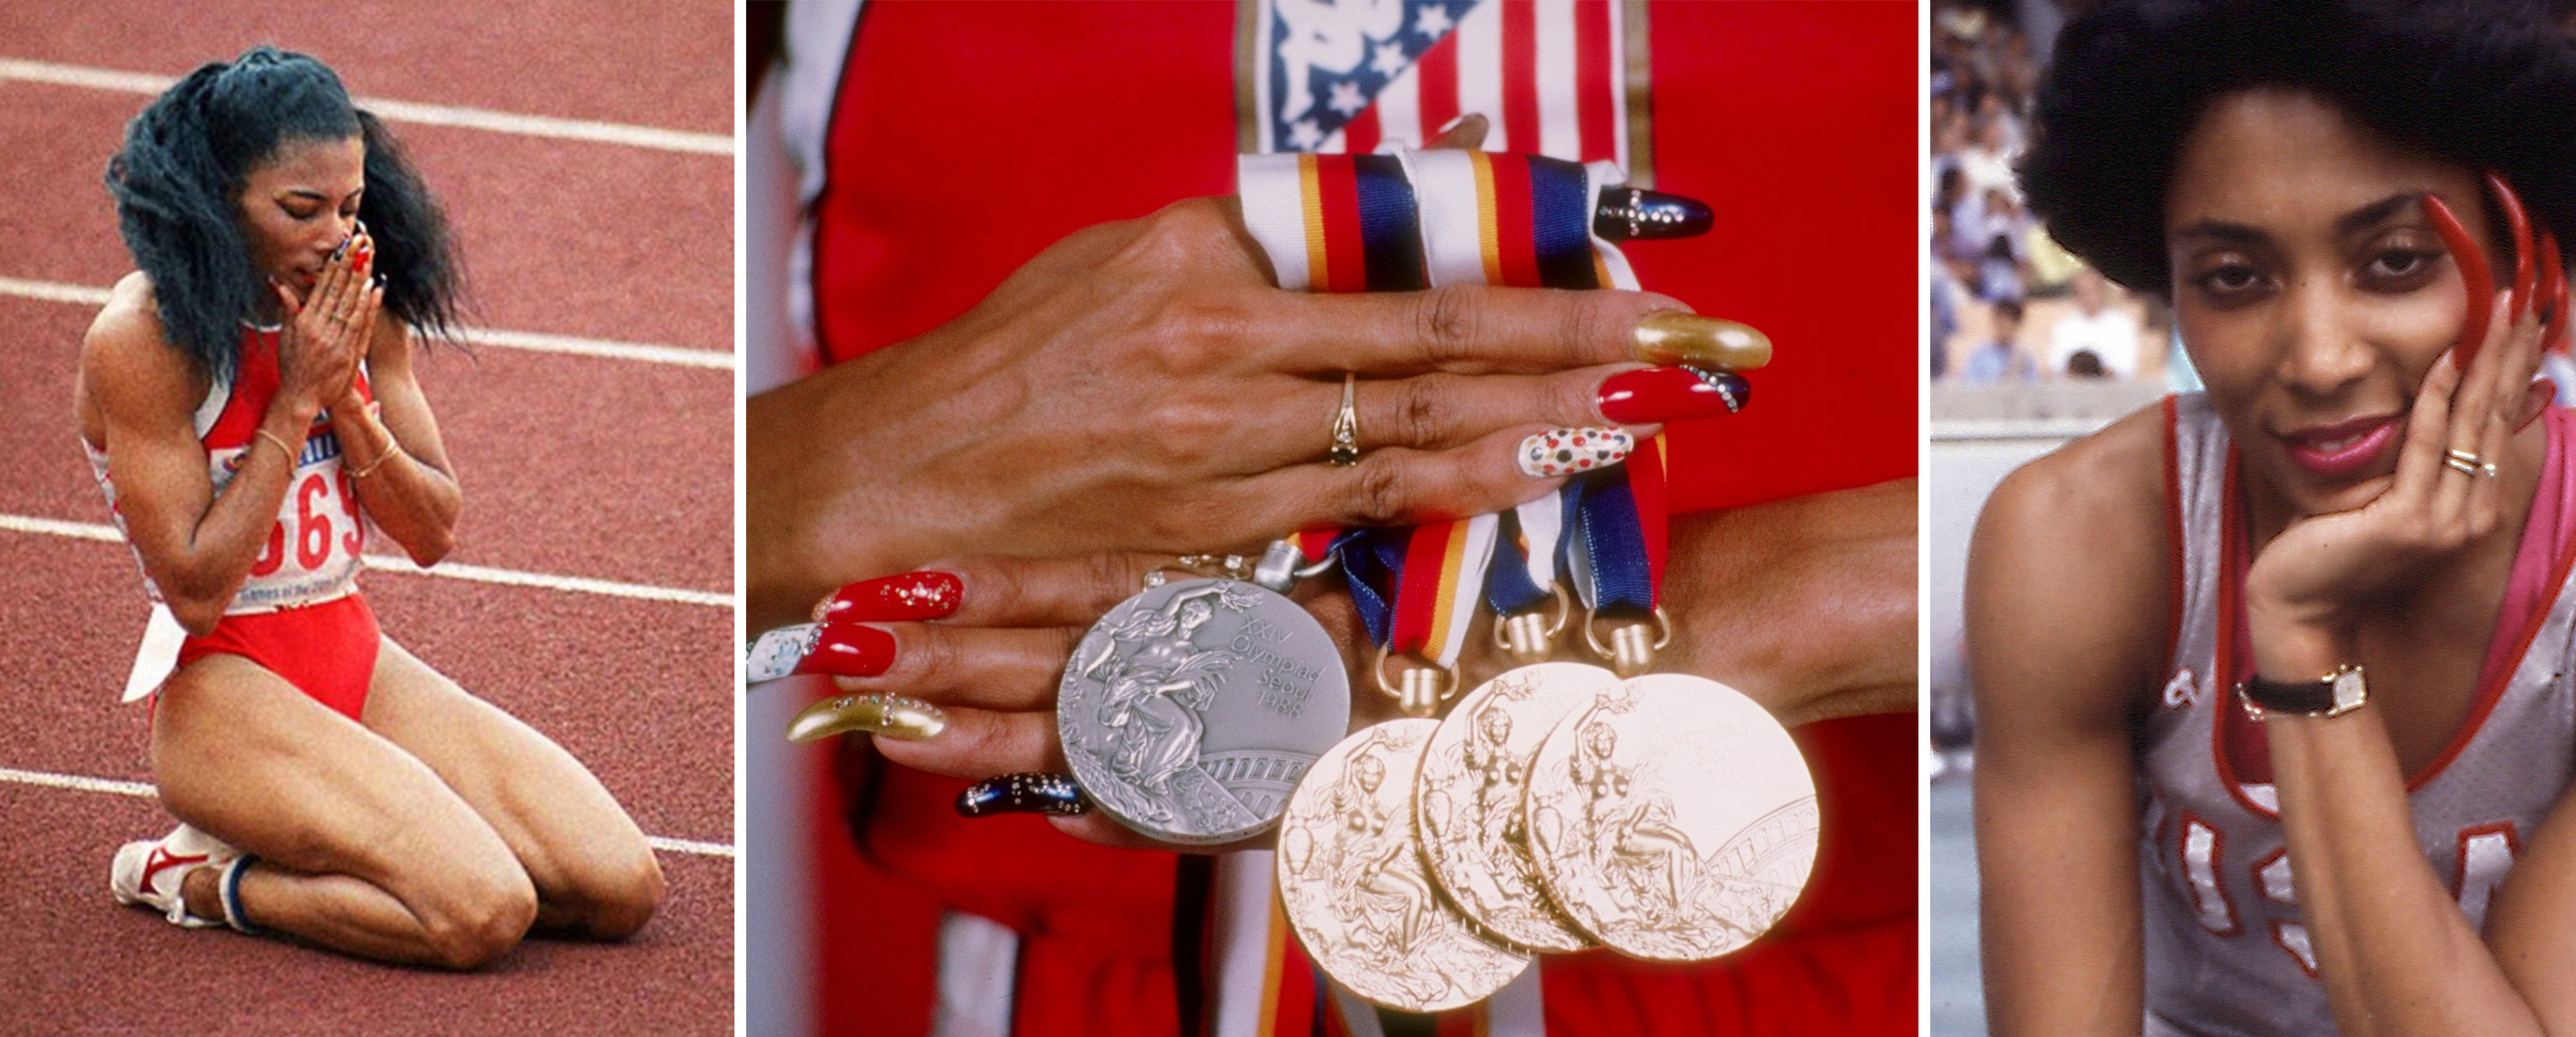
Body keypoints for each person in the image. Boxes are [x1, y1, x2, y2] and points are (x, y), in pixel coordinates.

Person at [744, 3, 1919, 1033]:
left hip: (1846, 951)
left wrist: (1762, 601)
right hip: (1100, 966)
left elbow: (2105, 460)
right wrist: (807, 478)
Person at [1971, 3, 2576, 1035]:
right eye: (2233, 279)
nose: (2319, 358)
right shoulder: (2076, 538)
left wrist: (2303, 643)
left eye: (2396, 261)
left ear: (2532, 265)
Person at [82, 47, 660, 968]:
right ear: (216, 197)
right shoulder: (143, 340)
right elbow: (194, 589)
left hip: (352, 656)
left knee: (622, 885)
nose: (334, 235)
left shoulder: (357, 313)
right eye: (299, 210)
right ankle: (192, 879)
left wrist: (347, 398)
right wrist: (295, 400)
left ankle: (334, 819)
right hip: (225, 693)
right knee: (483, 914)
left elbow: (433, 530)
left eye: (349, 207)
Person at [1964, 299, 2040, 383]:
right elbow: (1969, 387)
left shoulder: (2025, 358)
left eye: (2010, 322)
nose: (2005, 326)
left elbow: (2033, 388)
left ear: (2018, 325)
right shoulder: (1979, 355)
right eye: (2001, 321)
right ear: (1994, 320)